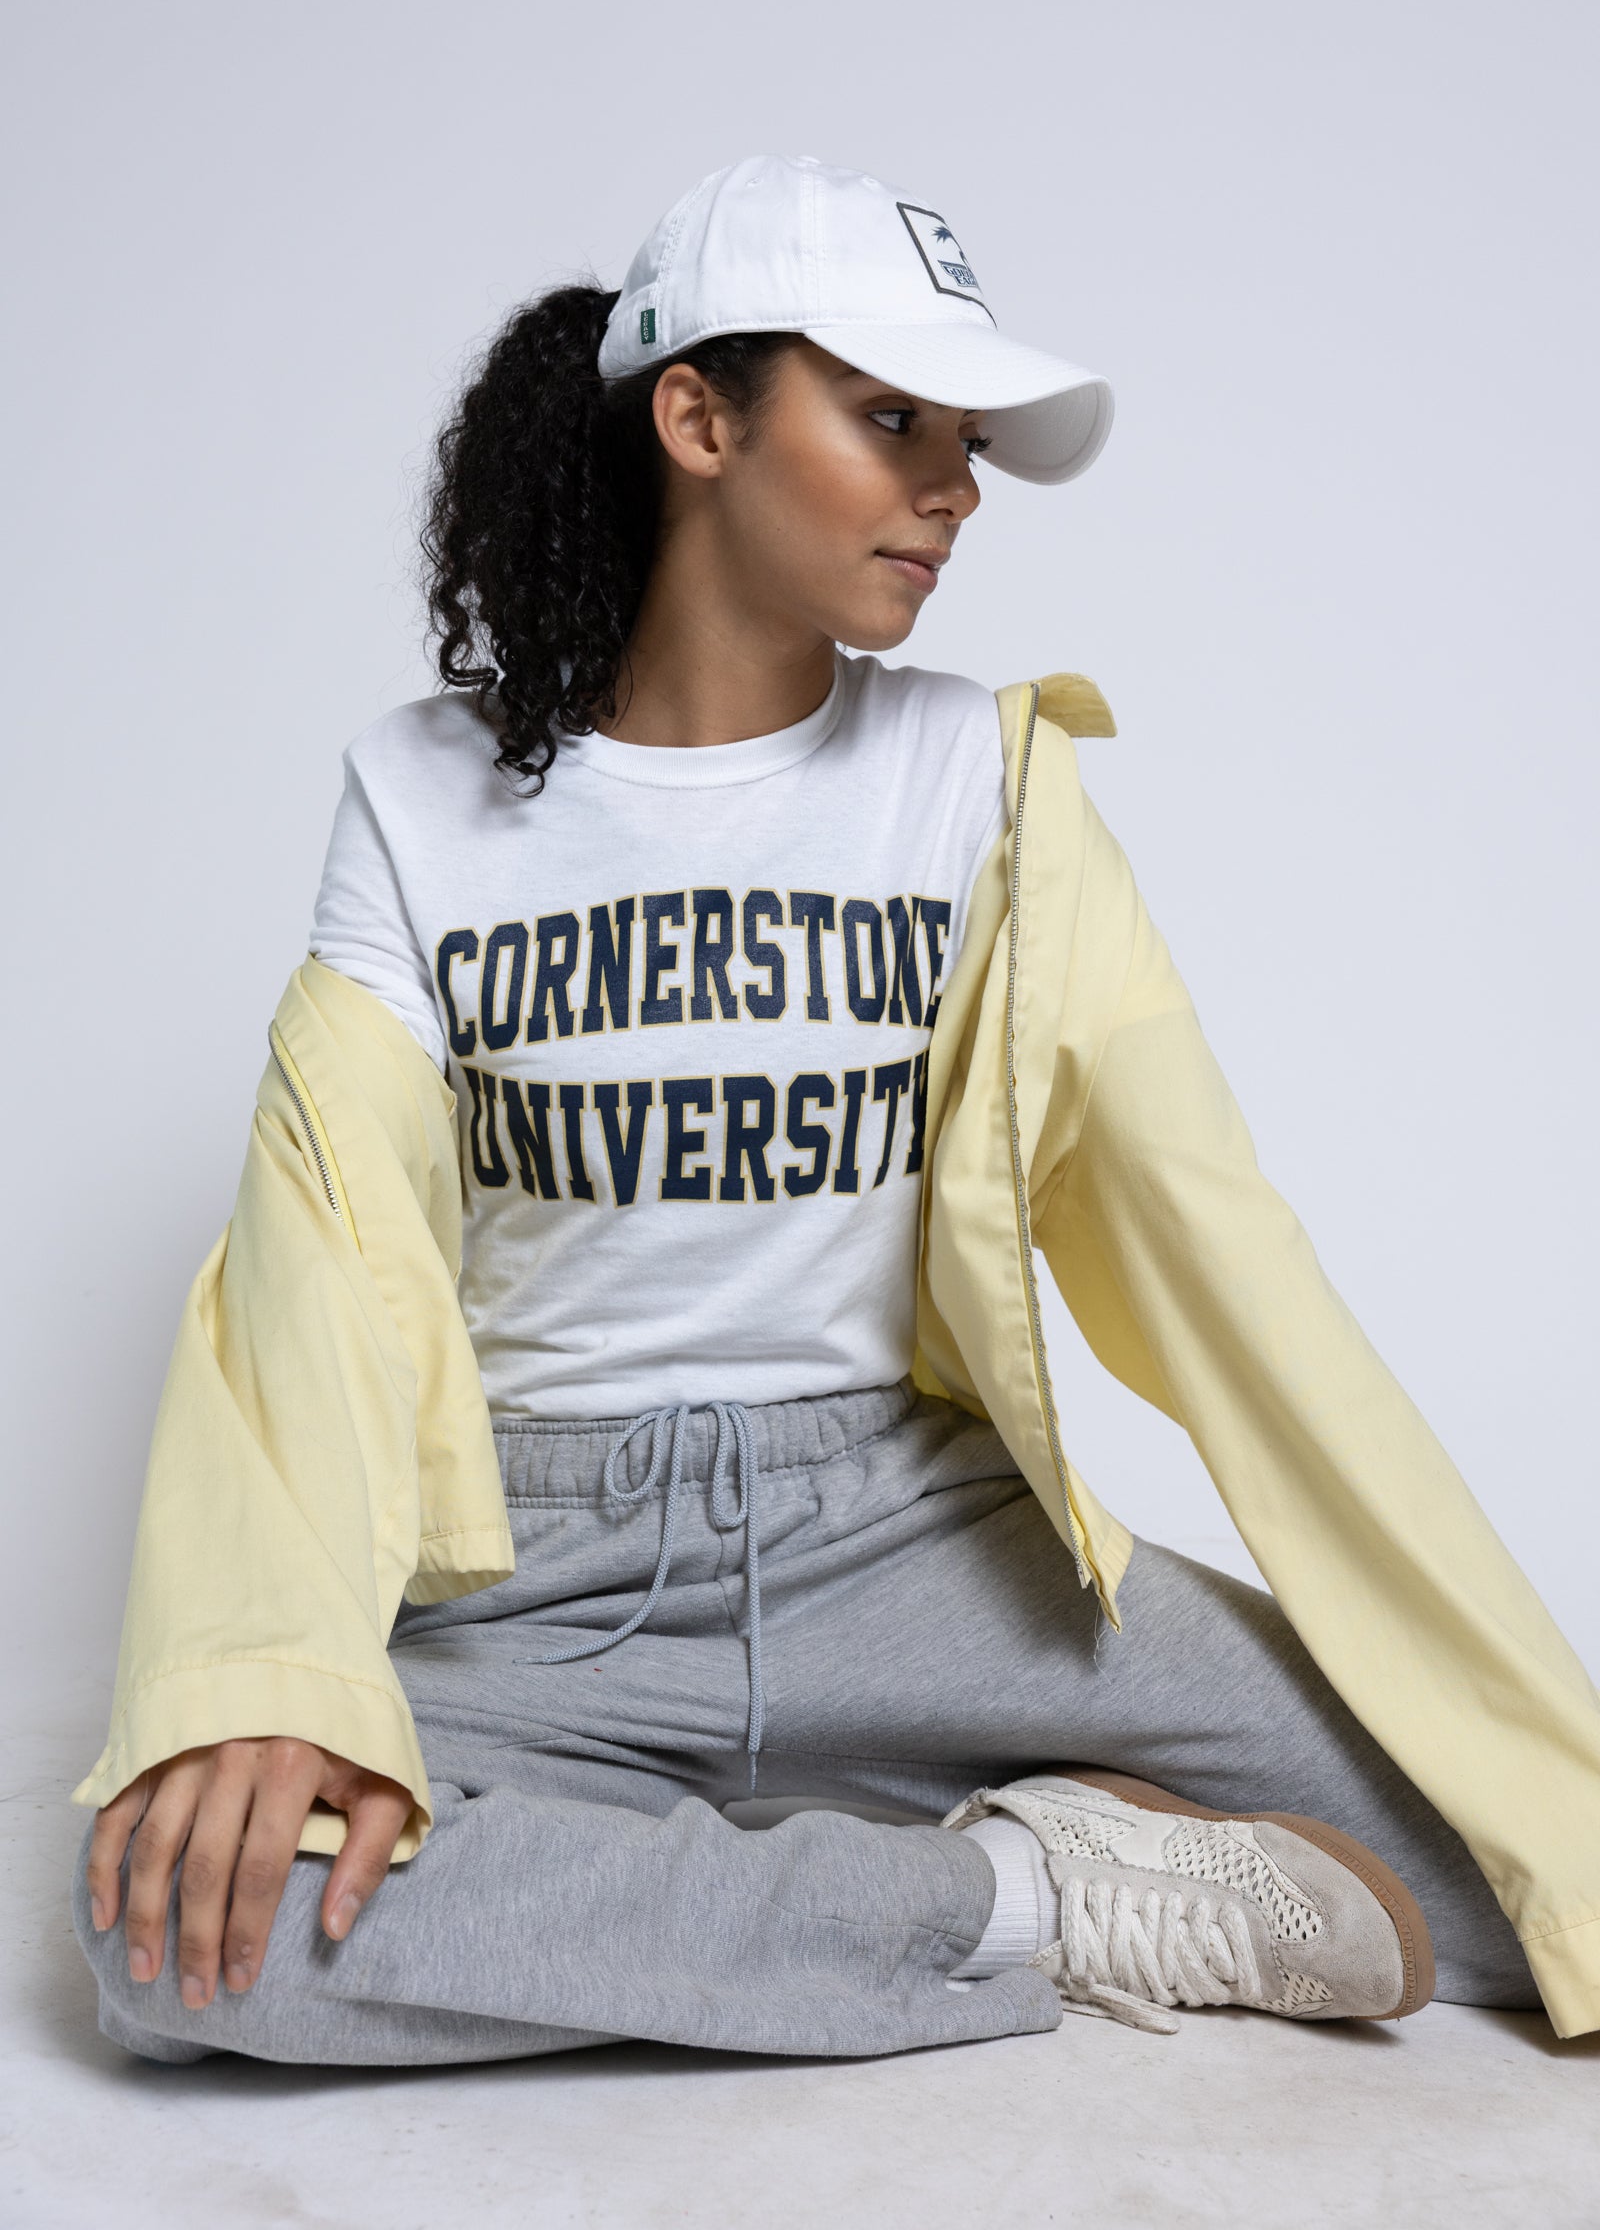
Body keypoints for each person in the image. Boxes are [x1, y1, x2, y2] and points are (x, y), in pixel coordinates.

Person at [70, 156, 1599, 2065]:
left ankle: (690, 1892)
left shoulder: (975, 780)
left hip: (917, 1549)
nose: (950, 487)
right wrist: (268, 1666)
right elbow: (310, 1265)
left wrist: (1520, 1725)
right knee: (186, 1938)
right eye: (888, 421)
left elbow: (1222, 1248)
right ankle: (1025, 1892)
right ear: (697, 416)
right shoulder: (423, 801)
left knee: (1521, 1876)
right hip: (546, 1591)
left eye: (962, 438)